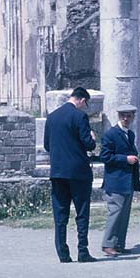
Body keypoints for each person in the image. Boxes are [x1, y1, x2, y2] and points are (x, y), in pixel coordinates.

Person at [43, 87, 96, 263]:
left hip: (58, 172)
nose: (84, 107)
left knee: (60, 214)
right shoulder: (79, 117)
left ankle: (63, 253)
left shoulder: (52, 117)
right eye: (85, 104)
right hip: (78, 172)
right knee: (82, 213)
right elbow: (89, 145)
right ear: (81, 99)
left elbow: (47, 145)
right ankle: (83, 251)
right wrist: (93, 138)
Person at [99, 104, 140, 256]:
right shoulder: (111, 134)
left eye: (129, 115)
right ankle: (107, 244)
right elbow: (105, 157)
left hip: (127, 181)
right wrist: (126, 159)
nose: (126, 118)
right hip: (115, 181)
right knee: (115, 213)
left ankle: (119, 244)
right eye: (123, 115)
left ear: (133, 117)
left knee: (124, 215)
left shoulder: (130, 134)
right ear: (118, 116)